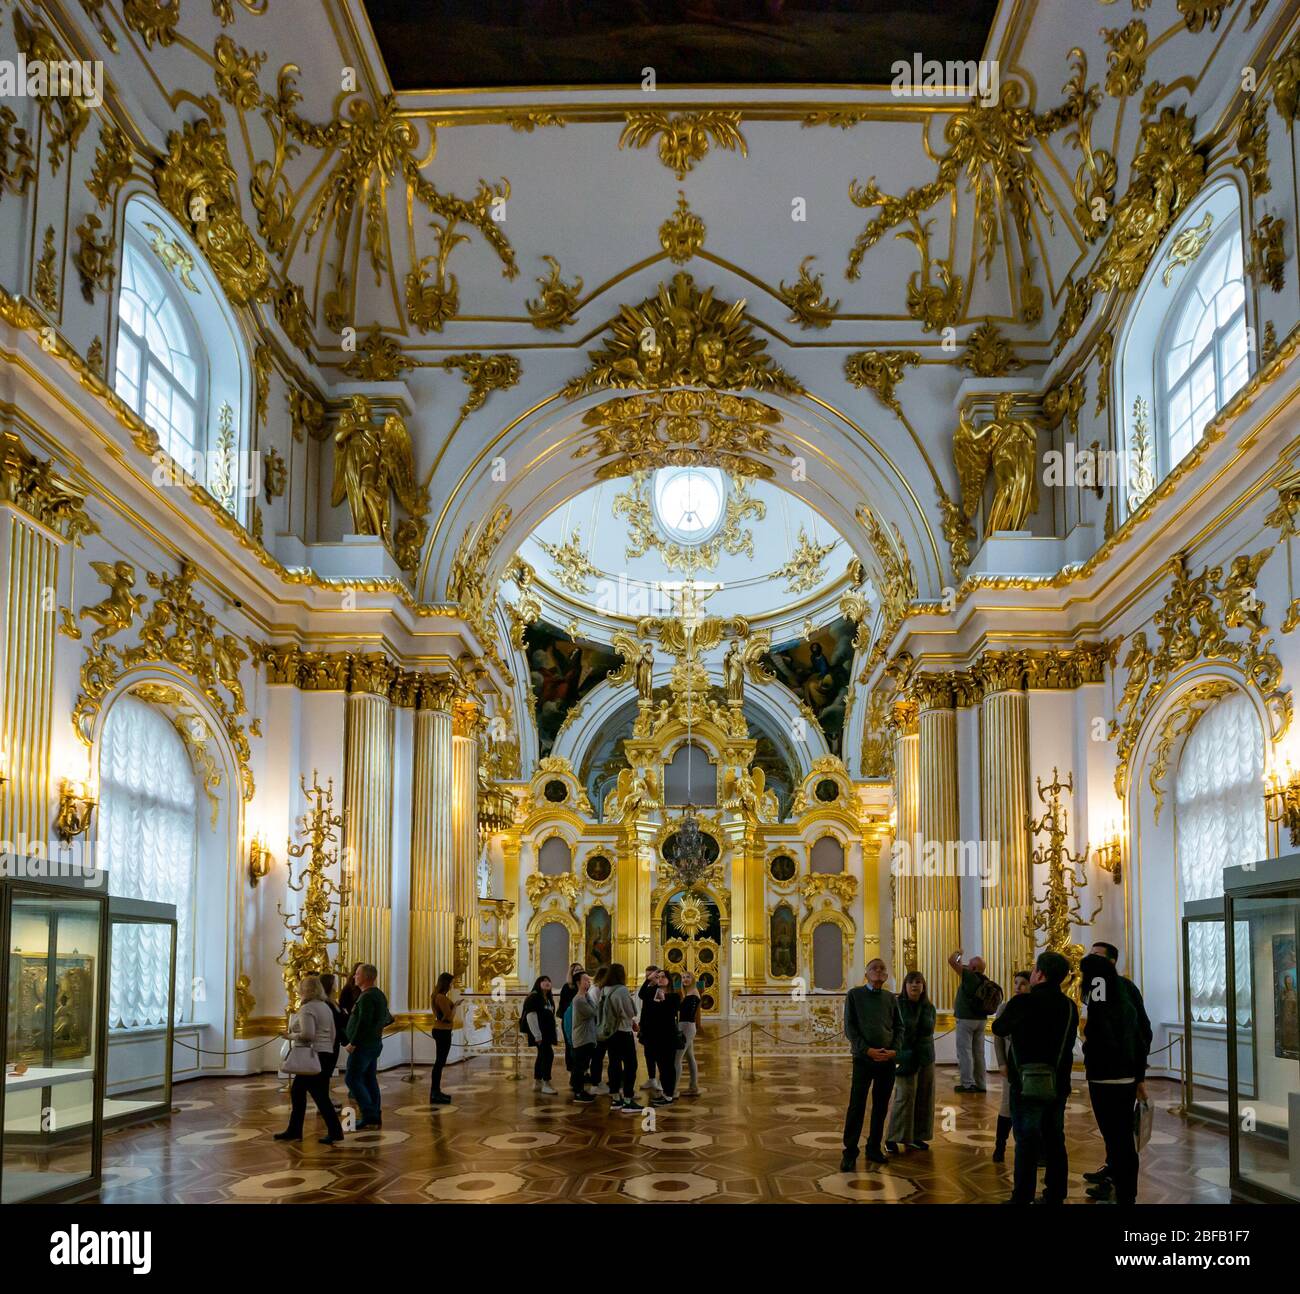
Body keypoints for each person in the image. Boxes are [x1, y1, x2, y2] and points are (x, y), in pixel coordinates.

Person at [991, 950, 1078, 1204]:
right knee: (1055, 1140)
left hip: (1025, 1084)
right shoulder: (1069, 1007)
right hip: (1057, 1083)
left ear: (1039, 974)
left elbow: (999, 1028)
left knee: (1027, 1142)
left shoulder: (1022, 1003)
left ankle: (1022, 1196)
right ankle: (1055, 1194)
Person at [1083, 941, 1153, 1197]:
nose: (1091, 961)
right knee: (1116, 1135)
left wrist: (1139, 1075)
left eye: (1097, 957)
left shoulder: (1122, 989)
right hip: (1115, 1073)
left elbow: (1142, 1030)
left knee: (1120, 1136)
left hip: (1110, 1075)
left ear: (1111, 963)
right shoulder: (1097, 987)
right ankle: (1113, 1175)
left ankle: (1122, 1189)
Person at [840, 957, 904, 1169]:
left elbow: (899, 1027)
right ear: (866, 974)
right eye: (874, 968)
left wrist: (894, 1050)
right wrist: (866, 1050)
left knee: (880, 1106)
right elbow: (850, 1027)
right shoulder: (855, 995)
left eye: (882, 969)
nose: (878, 971)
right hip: (863, 1058)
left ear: (886, 976)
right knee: (857, 1105)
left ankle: (874, 1147)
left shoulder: (890, 998)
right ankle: (850, 1151)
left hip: (886, 1059)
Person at [275, 974, 345, 1145]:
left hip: (314, 1055)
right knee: (300, 1091)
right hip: (325, 1053)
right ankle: (295, 1129)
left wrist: (289, 1035)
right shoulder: (324, 1006)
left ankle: (334, 1131)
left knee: (317, 1094)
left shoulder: (307, 1008)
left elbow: (308, 1035)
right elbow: (333, 1033)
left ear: (305, 990)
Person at [885, 970, 936, 1152]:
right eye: (911, 982)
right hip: (905, 1056)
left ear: (923, 987)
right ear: (905, 985)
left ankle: (917, 1135)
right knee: (903, 1097)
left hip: (926, 1057)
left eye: (919, 982)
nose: (915, 985)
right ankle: (894, 1137)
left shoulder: (929, 1007)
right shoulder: (897, 1005)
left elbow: (928, 1031)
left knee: (925, 1098)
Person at [343, 963, 391, 1131]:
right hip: (373, 1043)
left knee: (352, 1078)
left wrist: (353, 1043)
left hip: (363, 1045)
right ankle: (374, 1114)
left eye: (357, 974)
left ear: (366, 977)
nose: (354, 976)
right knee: (370, 1079)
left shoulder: (367, 997)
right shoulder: (377, 994)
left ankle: (369, 1113)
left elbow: (364, 1022)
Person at [991, 970, 1032, 1162]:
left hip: (1029, 1068)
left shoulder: (1035, 1007)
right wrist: (1001, 1063)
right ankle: (1000, 1145)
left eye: (1023, 983)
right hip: (1011, 1065)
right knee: (1006, 1105)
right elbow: (998, 1039)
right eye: (1016, 983)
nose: (1018, 987)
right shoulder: (1005, 1007)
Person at [947, 949, 994, 1092]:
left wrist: (958, 952)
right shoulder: (983, 979)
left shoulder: (969, 976)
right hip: (980, 1021)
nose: (966, 966)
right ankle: (981, 1084)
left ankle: (967, 1083)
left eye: (969, 964)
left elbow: (951, 961)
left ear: (973, 968)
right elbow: (960, 966)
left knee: (965, 1052)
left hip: (966, 1020)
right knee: (978, 1053)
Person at [599, 962, 642, 1113]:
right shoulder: (622, 990)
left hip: (610, 1033)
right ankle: (629, 1100)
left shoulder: (604, 989)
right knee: (631, 1065)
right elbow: (631, 1012)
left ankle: (616, 1098)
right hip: (623, 1032)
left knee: (614, 1064)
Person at [639, 969, 681, 1106]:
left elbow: (670, 1011)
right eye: (659, 977)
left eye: (663, 977)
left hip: (668, 1036)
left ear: (669, 980)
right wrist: (649, 980)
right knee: (661, 1066)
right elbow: (641, 994)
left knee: (668, 1066)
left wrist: (662, 999)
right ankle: (666, 1093)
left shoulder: (674, 997)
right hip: (655, 1036)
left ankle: (669, 1094)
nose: (661, 979)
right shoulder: (652, 992)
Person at [522, 975, 559, 1094]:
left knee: (542, 1055)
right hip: (540, 1033)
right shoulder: (534, 997)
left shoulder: (547, 998)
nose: (547, 982)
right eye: (544, 981)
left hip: (546, 1032)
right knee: (548, 1055)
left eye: (549, 981)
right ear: (538, 983)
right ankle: (546, 1082)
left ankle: (538, 1082)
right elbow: (531, 1016)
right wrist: (537, 1035)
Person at [318, 972, 347, 1109]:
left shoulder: (333, 1001)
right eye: (334, 982)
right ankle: (324, 1101)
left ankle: (325, 1099)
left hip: (335, 1042)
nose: (337, 985)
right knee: (323, 1073)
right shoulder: (324, 1003)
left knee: (327, 1073)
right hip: (327, 1043)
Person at [569, 971, 597, 1103]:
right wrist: (589, 996)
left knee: (582, 1066)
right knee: (579, 1067)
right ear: (578, 983)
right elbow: (593, 1012)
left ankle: (580, 1091)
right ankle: (578, 1093)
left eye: (589, 980)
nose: (588, 982)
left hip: (587, 1037)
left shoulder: (584, 997)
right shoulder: (579, 1000)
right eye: (586, 980)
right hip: (582, 1038)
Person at [429, 971, 456, 1105]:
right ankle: (435, 1092)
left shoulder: (438, 996)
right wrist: (455, 1006)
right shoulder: (441, 997)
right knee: (439, 1063)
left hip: (440, 1030)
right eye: (451, 982)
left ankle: (436, 1091)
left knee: (439, 1062)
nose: (452, 985)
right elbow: (448, 1017)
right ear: (446, 983)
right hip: (442, 1030)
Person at [675, 970, 702, 1096]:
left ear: (693, 980)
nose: (685, 979)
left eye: (687, 977)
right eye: (683, 977)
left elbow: (688, 1014)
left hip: (686, 1027)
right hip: (687, 1026)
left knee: (676, 1059)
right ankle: (693, 1086)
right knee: (690, 1057)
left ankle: (672, 1090)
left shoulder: (692, 994)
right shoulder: (688, 993)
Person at [557, 961, 585, 1081]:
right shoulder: (567, 987)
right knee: (570, 1046)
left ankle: (583, 1071)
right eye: (575, 970)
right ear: (571, 973)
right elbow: (564, 1005)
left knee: (584, 1046)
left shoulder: (586, 986)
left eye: (580, 969)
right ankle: (571, 1071)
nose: (578, 972)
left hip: (583, 1020)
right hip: (570, 1019)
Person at [638, 965, 661, 1094]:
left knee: (658, 1054)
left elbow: (643, 996)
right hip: (646, 1025)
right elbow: (642, 996)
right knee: (648, 1054)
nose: (649, 978)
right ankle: (651, 1078)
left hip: (656, 1026)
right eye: (647, 976)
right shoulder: (649, 987)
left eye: (651, 976)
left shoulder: (659, 988)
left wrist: (651, 981)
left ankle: (660, 1081)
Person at [588, 966, 610, 1093]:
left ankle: (597, 1082)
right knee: (597, 1056)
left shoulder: (600, 989)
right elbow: (596, 1010)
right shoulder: (595, 990)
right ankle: (595, 1083)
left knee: (599, 1056)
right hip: (597, 1027)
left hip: (601, 1027)